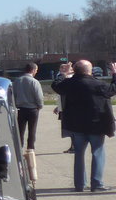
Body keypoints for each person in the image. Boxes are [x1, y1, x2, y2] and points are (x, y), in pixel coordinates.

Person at [51, 59, 116, 192]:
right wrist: (114, 74)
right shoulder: (98, 84)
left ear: (74, 70)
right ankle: (96, 183)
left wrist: (63, 73)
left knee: (79, 154)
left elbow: (55, 85)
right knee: (97, 152)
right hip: (96, 124)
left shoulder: (69, 84)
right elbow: (113, 89)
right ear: (89, 71)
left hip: (76, 125)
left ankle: (80, 184)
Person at [13, 62, 43, 186]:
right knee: (32, 130)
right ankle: (30, 148)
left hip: (21, 108)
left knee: (20, 129)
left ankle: (19, 147)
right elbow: (38, 96)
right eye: (36, 70)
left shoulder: (17, 81)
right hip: (32, 109)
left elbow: (13, 95)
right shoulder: (34, 82)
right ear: (33, 70)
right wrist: (40, 105)